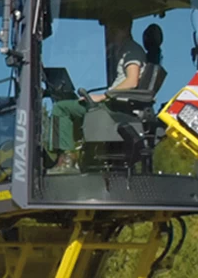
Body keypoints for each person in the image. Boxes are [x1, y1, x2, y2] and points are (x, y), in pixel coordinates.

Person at [45, 22, 163, 171]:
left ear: (124, 28)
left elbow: (132, 81)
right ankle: (77, 156)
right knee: (74, 107)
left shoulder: (131, 51)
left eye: (112, 29)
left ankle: (66, 159)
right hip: (117, 102)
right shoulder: (128, 49)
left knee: (62, 108)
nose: (109, 34)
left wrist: (103, 96)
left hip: (115, 106)